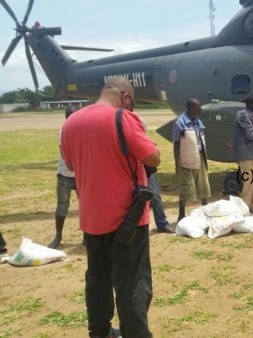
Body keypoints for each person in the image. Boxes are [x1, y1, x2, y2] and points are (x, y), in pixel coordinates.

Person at [61, 77, 160, 337]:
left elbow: (71, 166)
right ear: (125, 96)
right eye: (132, 103)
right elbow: (153, 157)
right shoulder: (123, 118)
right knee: (132, 283)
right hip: (127, 219)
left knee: (98, 279)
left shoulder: (71, 122)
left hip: (92, 219)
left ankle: (100, 331)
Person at [173, 98, 211, 222]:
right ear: (191, 108)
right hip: (186, 159)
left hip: (199, 157)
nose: (200, 109)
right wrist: (177, 163)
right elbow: (176, 144)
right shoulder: (180, 123)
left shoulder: (198, 122)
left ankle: (205, 211)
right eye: (198, 107)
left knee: (203, 185)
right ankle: (181, 214)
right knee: (185, 187)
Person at [48, 106, 78, 249]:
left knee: (85, 206)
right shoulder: (63, 132)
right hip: (65, 175)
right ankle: (58, 236)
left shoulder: (83, 131)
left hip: (80, 175)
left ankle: (87, 236)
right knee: (62, 208)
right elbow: (66, 155)